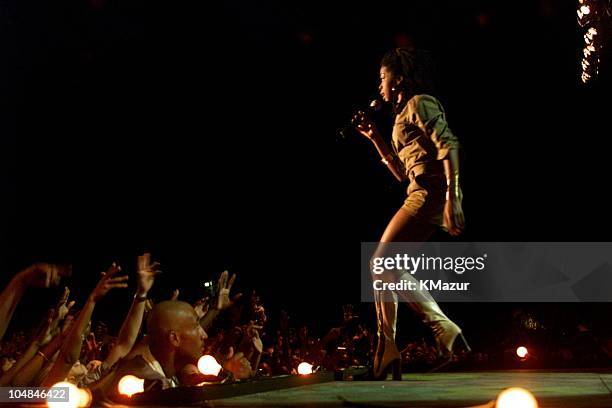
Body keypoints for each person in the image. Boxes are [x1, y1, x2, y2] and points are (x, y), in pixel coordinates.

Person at [354, 48, 469, 380]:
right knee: (389, 269)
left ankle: (388, 347)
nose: (379, 85)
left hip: (431, 193)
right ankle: (442, 333)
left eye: (382, 77)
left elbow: (449, 145)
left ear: (398, 77)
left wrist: (454, 197)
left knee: (380, 263)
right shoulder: (402, 114)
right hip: (418, 189)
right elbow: (403, 173)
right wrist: (375, 137)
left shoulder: (421, 102)